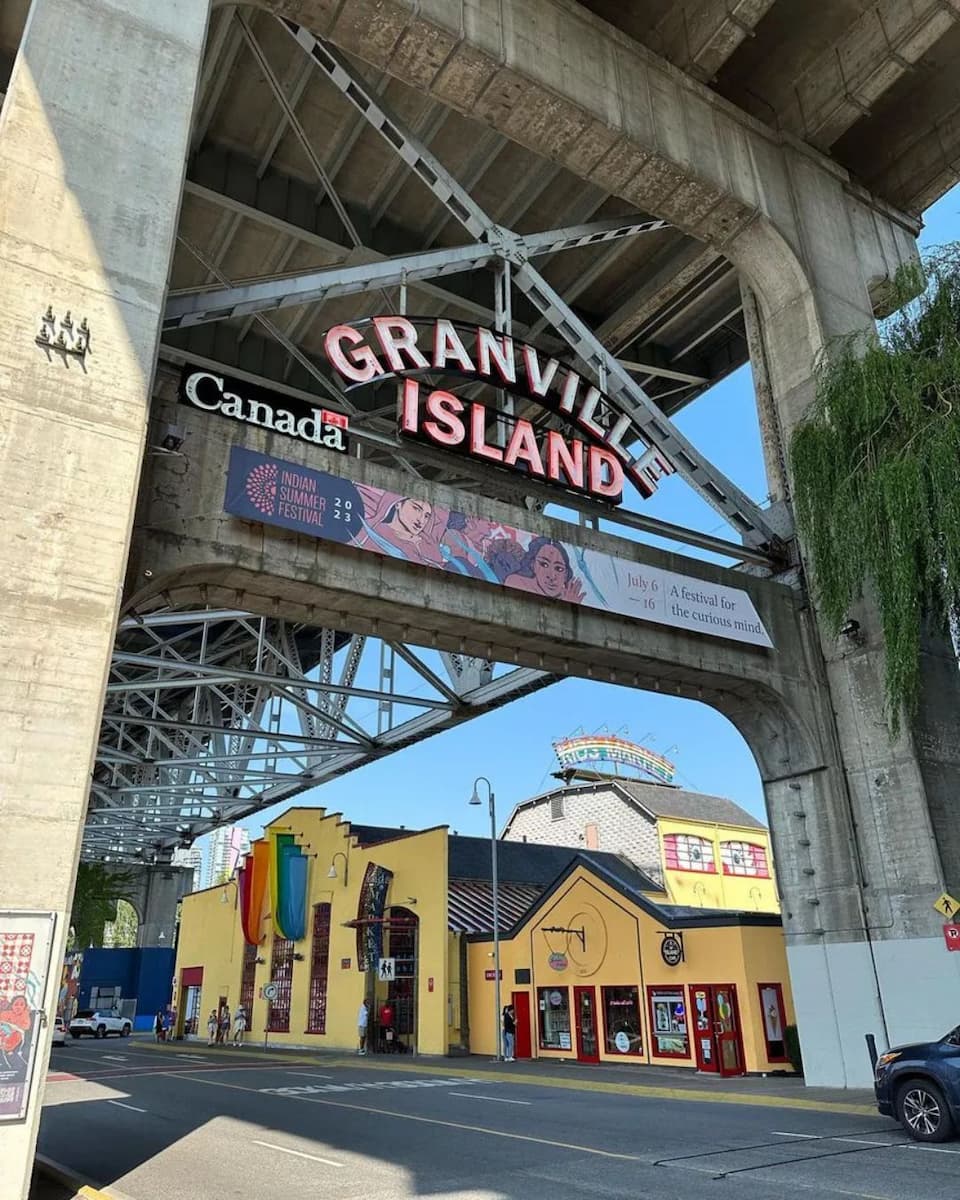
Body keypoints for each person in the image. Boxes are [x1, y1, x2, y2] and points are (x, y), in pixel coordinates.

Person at [505, 537, 585, 602]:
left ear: (565, 574)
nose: (552, 576)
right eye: (544, 564)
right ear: (533, 565)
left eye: (559, 569)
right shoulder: (517, 583)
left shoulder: (569, 595)